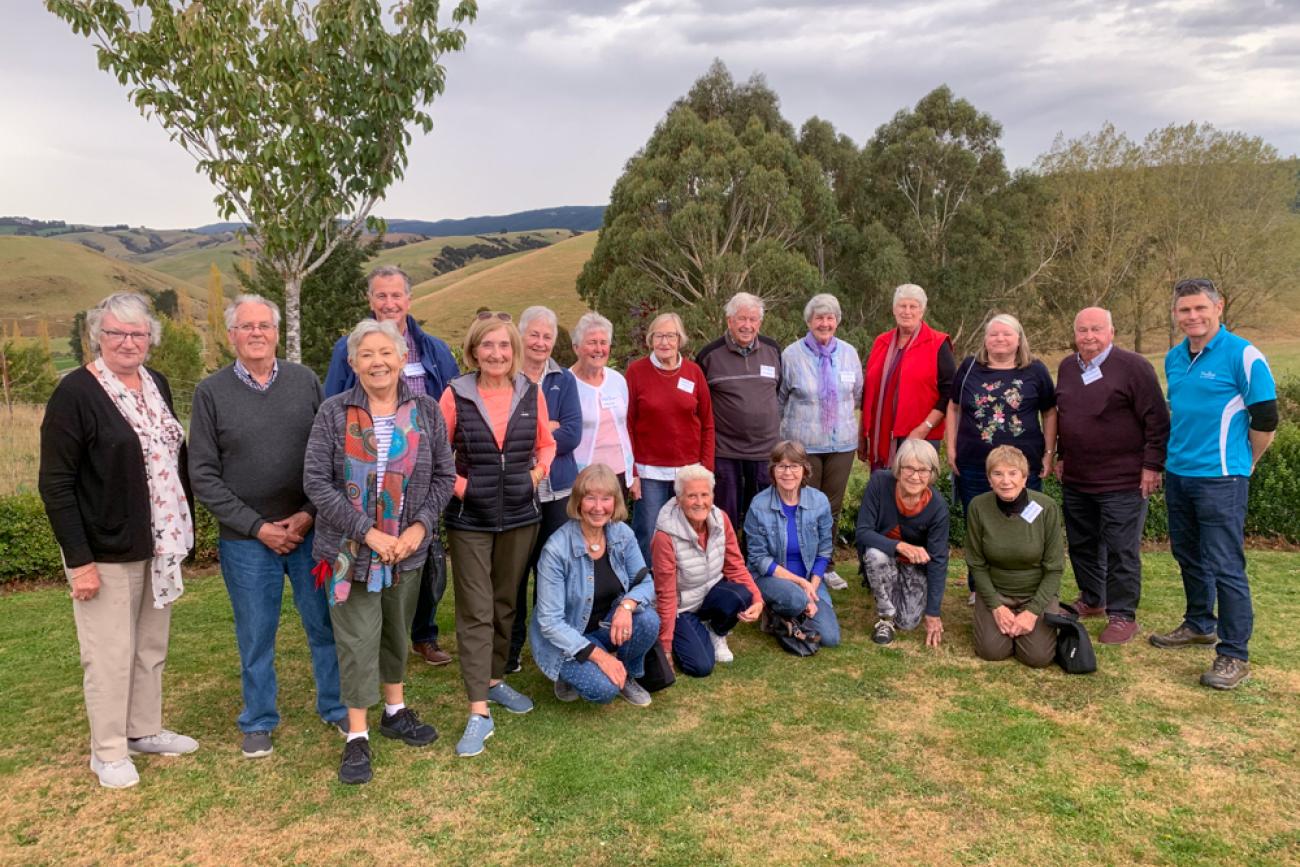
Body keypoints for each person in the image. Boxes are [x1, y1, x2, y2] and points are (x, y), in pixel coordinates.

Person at [39, 292, 198, 789]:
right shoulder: (76, 393)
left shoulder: (158, 384)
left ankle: (142, 730)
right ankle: (106, 750)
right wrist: (79, 560)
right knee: (108, 653)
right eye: (117, 333)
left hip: (159, 543)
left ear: (151, 338)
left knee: (150, 646)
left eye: (138, 333)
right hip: (104, 550)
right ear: (98, 338)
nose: (128, 342)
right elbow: (56, 483)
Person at [189, 294, 346, 759]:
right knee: (256, 633)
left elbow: (331, 454)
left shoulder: (304, 381)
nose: (256, 333)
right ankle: (258, 720)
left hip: (307, 532)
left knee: (323, 624)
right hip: (246, 542)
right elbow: (203, 474)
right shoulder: (210, 393)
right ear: (231, 335)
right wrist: (258, 528)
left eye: (264, 325)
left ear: (277, 332)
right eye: (246, 326)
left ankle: (336, 707)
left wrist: (308, 514)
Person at [304, 319, 455, 784]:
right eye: (366, 355)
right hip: (351, 553)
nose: (377, 362)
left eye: (386, 353)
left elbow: (444, 478)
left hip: (405, 552)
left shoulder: (426, 410)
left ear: (401, 359)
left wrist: (419, 527)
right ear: (352, 363)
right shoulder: (333, 412)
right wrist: (367, 532)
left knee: (395, 633)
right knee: (356, 642)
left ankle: (395, 709)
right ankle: (356, 736)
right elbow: (316, 482)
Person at [324, 266, 460, 668]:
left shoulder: (432, 348)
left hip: (421, 471)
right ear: (370, 300)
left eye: (395, 296)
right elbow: (333, 402)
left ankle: (424, 634)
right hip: (365, 470)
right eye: (380, 296)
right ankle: (372, 636)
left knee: (427, 558)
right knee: (368, 553)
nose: (389, 303)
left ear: (409, 300)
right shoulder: (347, 348)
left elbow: (452, 402)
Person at [1149, 279, 1277, 690]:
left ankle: (1234, 653)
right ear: (1175, 314)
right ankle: (1200, 624)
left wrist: (1247, 463)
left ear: (1218, 307)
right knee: (1188, 555)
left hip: (1222, 479)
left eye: (1200, 308)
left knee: (1225, 565)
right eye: (1184, 310)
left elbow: (1267, 420)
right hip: (1180, 474)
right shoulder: (1173, 357)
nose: (1192, 317)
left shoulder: (1243, 354)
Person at [440, 313, 557, 756]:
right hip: (470, 519)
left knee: (507, 604)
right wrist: (461, 486)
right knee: (476, 608)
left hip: (521, 517)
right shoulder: (455, 395)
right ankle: (478, 711)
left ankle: (494, 680)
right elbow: (436, 450)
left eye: (504, 346)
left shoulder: (531, 391)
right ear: (473, 351)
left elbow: (546, 442)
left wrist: (538, 473)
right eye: (487, 346)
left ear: (515, 353)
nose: (496, 354)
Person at [1053, 307, 1169, 645]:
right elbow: (1066, 417)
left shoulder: (1134, 367)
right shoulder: (1067, 367)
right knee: (1082, 543)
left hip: (1123, 480)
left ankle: (1122, 615)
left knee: (1121, 548)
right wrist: (1061, 456)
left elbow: (1157, 420)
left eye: (1096, 330)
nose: (1089, 336)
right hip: (1078, 477)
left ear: (1111, 332)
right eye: (1082, 330)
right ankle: (1092, 599)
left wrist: (1152, 465)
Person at [946, 313, 1056, 600]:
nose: (1000, 339)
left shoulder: (1036, 370)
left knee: (1028, 522)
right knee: (979, 523)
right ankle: (979, 588)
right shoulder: (970, 367)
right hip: (975, 465)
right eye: (994, 334)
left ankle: (1030, 584)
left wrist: (1049, 452)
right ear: (985, 338)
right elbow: (954, 407)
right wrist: (950, 447)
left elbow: (1049, 412)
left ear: (1019, 338)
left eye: (1007, 334)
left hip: (1024, 467)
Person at [531, 465, 660, 706]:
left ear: (615, 502)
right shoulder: (556, 549)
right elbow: (549, 622)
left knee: (648, 619)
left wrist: (626, 606)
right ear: (578, 502)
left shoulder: (622, 534)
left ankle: (626, 674)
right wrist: (600, 657)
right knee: (603, 690)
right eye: (590, 498)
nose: (598, 507)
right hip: (566, 638)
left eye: (606, 499)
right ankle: (568, 674)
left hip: (605, 626)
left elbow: (645, 582)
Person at [506, 306, 583, 674]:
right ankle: (512, 647)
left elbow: (573, 434)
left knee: (553, 572)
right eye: (534, 335)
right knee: (516, 573)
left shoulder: (563, 380)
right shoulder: (506, 376)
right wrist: (545, 430)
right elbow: (502, 436)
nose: (540, 342)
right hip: (518, 491)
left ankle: (551, 642)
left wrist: (533, 434)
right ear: (521, 336)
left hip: (559, 492)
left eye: (547, 336)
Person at [779, 293, 863, 589]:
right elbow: (780, 399)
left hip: (841, 444)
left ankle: (826, 566)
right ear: (808, 321)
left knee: (831, 507)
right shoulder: (791, 354)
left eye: (830, 318)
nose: (824, 323)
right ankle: (800, 565)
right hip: (803, 446)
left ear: (837, 321)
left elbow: (857, 394)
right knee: (803, 504)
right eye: (819, 318)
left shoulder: (849, 353)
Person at [651, 464, 763, 676]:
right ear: (678, 499)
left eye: (705, 494)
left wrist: (758, 600)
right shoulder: (664, 536)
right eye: (692, 496)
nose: (700, 502)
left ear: (712, 495)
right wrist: (664, 648)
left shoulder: (721, 519)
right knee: (700, 667)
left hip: (710, 594)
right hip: (681, 608)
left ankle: (716, 631)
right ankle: (688, 633)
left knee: (742, 594)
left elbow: (736, 565)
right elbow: (665, 594)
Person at [626, 312, 715, 565]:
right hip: (649, 472)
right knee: (650, 533)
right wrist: (632, 472)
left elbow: (707, 424)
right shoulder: (636, 372)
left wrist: (706, 471)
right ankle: (646, 587)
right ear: (650, 339)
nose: (665, 342)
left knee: (687, 533)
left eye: (671, 336)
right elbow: (628, 424)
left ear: (680, 339)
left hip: (689, 472)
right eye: (659, 336)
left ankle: (685, 588)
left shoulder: (693, 372)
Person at [965, 446, 1064, 668]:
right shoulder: (978, 507)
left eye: (1013, 473)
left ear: (1024, 478)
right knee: (991, 651)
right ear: (989, 479)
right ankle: (997, 617)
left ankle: (1049, 612)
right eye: (997, 474)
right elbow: (976, 564)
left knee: (1037, 657)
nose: (1005, 481)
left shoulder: (1046, 508)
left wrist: (1032, 612)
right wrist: (996, 606)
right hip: (997, 591)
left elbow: (1055, 568)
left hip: (1035, 593)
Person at [696, 292, 783, 531]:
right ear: (729, 321)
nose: (747, 325)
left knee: (763, 515)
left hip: (765, 451)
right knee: (726, 514)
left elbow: (778, 390)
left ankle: (758, 563)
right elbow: (700, 405)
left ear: (760, 323)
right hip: (726, 451)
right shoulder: (709, 355)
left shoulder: (773, 350)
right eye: (741, 319)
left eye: (752, 319)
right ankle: (728, 565)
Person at [743, 441, 841, 648]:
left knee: (830, 638)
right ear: (773, 470)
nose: (788, 472)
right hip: (769, 578)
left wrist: (812, 587)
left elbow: (824, 552)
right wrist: (801, 586)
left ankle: (781, 616)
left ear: (804, 469)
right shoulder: (759, 505)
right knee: (796, 599)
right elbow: (758, 559)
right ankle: (785, 606)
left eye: (794, 466)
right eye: (782, 466)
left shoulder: (819, 501)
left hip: (808, 580)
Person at [854, 438, 950, 647]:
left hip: (913, 567)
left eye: (923, 470)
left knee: (907, 622)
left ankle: (895, 590)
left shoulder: (938, 507)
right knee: (875, 555)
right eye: (909, 468)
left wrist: (933, 612)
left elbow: (939, 560)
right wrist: (900, 546)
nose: (915, 476)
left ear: (931, 473)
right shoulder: (880, 483)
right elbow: (862, 532)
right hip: (884, 556)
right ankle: (885, 618)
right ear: (898, 467)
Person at [859, 283, 955, 470]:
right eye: (902, 306)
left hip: (920, 438)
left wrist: (924, 427)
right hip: (882, 437)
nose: (907, 311)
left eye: (913, 306)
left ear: (922, 311)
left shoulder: (937, 343)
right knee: (883, 491)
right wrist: (862, 435)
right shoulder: (881, 342)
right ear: (894, 310)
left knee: (914, 491)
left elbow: (949, 393)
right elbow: (868, 391)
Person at [570, 312, 635, 494]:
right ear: (576, 347)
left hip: (619, 473)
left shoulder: (617, 380)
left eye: (603, 342)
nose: (598, 349)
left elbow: (625, 427)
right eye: (592, 342)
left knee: (615, 522)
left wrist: (633, 474)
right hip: (582, 476)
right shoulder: (566, 383)